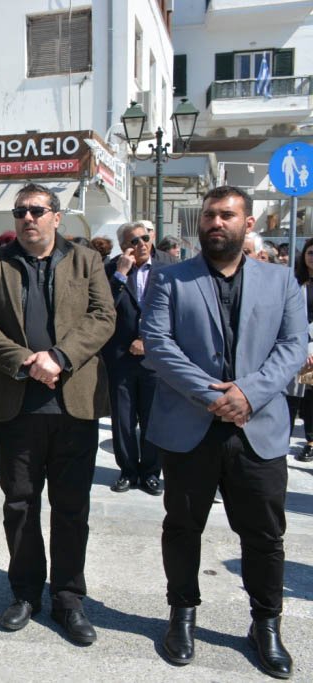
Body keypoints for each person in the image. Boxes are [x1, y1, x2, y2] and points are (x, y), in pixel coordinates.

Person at [141, 186, 305, 679]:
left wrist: (248, 394)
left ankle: (266, 623)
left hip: (257, 429)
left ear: (248, 224)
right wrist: (213, 395)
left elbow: (294, 345)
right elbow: (158, 344)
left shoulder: (282, 282)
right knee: (182, 528)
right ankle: (182, 614)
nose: (216, 222)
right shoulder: (171, 280)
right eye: (209, 214)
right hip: (191, 427)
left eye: (227, 215)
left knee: (263, 535)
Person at [0, 182, 115, 645]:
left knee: (71, 508)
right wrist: (28, 361)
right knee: (20, 503)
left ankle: (69, 599)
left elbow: (103, 316)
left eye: (36, 210)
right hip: (17, 403)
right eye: (20, 211)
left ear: (56, 216)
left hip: (74, 403)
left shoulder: (86, 260)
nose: (28, 218)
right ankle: (26, 592)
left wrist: (60, 358)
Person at [103, 221, 165, 495]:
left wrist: (148, 342)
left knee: (153, 419)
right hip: (120, 358)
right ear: (123, 246)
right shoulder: (111, 270)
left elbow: (172, 314)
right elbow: (103, 309)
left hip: (155, 358)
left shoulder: (167, 269)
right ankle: (127, 470)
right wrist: (121, 275)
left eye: (144, 238)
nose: (140, 244)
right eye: (133, 241)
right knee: (123, 419)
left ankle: (151, 472)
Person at [289, 237, 313, 463]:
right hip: (300, 347)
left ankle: (310, 442)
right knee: (299, 398)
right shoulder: (295, 283)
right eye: (310, 253)